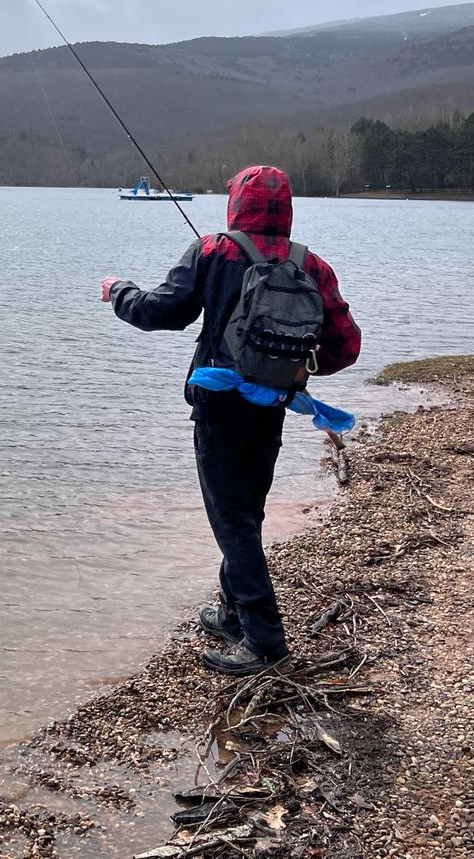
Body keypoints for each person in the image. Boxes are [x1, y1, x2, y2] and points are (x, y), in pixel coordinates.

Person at [100, 165, 360, 675]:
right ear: (286, 207)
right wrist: (293, 369)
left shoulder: (214, 250)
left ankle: (264, 641)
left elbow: (162, 312)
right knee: (246, 513)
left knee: (233, 520)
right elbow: (346, 347)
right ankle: (231, 614)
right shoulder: (313, 265)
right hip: (272, 407)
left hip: (219, 408)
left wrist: (119, 291)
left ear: (236, 204)